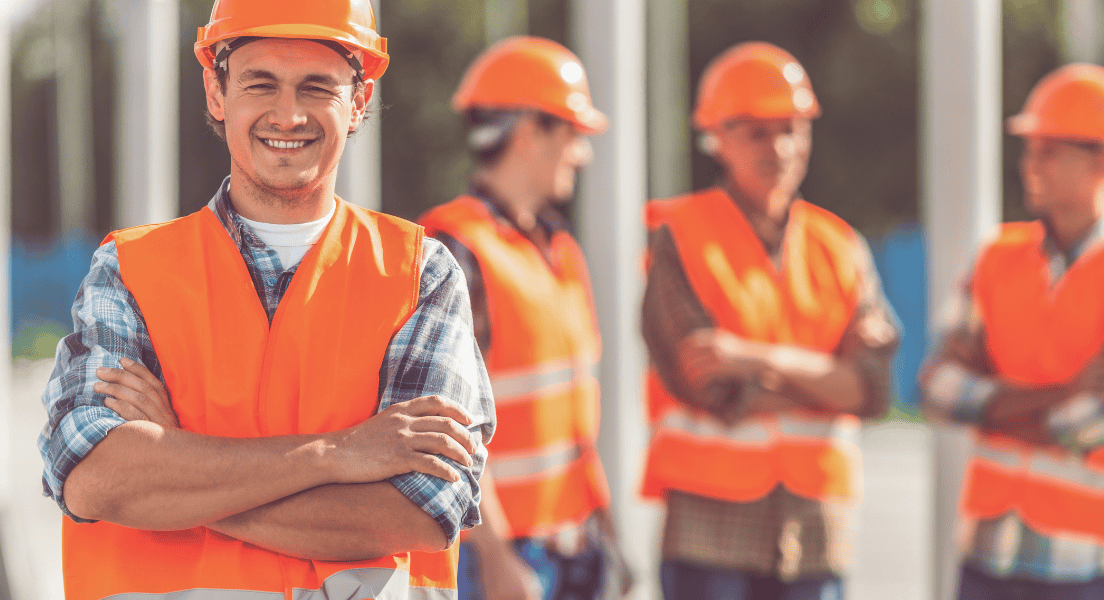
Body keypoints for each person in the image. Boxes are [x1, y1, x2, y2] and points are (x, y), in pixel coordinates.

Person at [37, 0, 495, 597]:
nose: (288, 113)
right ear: (216, 92)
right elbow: (96, 478)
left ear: (358, 102)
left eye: (316, 86)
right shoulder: (128, 271)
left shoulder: (420, 277)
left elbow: (422, 511)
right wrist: (338, 454)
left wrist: (175, 467)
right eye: (261, 83)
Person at [920, 63, 1104, 600]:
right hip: (988, 552)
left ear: (1103, 159)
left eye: (1048, 149)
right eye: (1029, 149)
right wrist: (1067, 390)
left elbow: (1095, 425)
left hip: (1089, 565)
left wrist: (990, 403)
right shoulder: (996, 258)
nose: (1029, 164)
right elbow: (935, 390)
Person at [639, 41, 901, 600]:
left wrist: (757, 358)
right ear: (717, 137)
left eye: (792, 129)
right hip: (708, 532)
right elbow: (708, 387)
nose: (779, 147)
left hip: (817, 531)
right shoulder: (679, 235)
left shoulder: (841, 246)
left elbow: (875, 391)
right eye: (757, 131)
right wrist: (829, 383)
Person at [418, 36, 632, 600]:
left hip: (573, 545)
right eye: (574, 135)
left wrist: (606, 531)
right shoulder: (456, 250)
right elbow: (449, 425)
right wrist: (497, 556)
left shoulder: (558, 250)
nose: (582, 154)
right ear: (531, 131)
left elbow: (570, 420)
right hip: (503, 555)